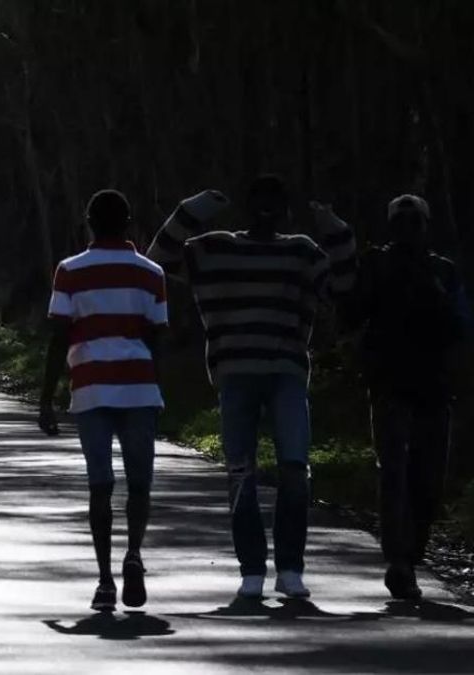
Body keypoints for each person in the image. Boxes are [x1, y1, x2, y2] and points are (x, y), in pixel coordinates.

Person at [146, 175, 356, 600]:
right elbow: (157, 261)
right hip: (236, 374)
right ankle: (252, 571)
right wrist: (194, 209)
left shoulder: (302, 251)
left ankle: (291, 569)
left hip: (287, 373)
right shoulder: (215, 247)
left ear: (286, 211)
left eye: (275, 204)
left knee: (295, 470)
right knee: (241, 473)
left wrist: (335, 228)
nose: (267, 211)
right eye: (260, 202)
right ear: (247, 208)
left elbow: (344, 287)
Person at [38, 190, 167, 612]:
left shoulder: (70, 271)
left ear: (88, 222)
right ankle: (134, 552)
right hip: (138, 387)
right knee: (139, 483)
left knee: (100, 485)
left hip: (91, 387)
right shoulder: (151, 272)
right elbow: (157, 334)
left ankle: (105, 579)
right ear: (129, 222)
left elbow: (59, 336)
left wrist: (46, 399)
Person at [344, 194, 469, 600]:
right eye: (401, 221)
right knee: (393, 472)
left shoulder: (443, 271)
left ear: (426, 225)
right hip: (389, 385)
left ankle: (412, 554)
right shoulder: (376, 265)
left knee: (428, 479)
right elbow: (351, 315)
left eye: (415, 221)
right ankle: (399, 561)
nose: (408, 229)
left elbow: (461, 325)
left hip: (434, 386)